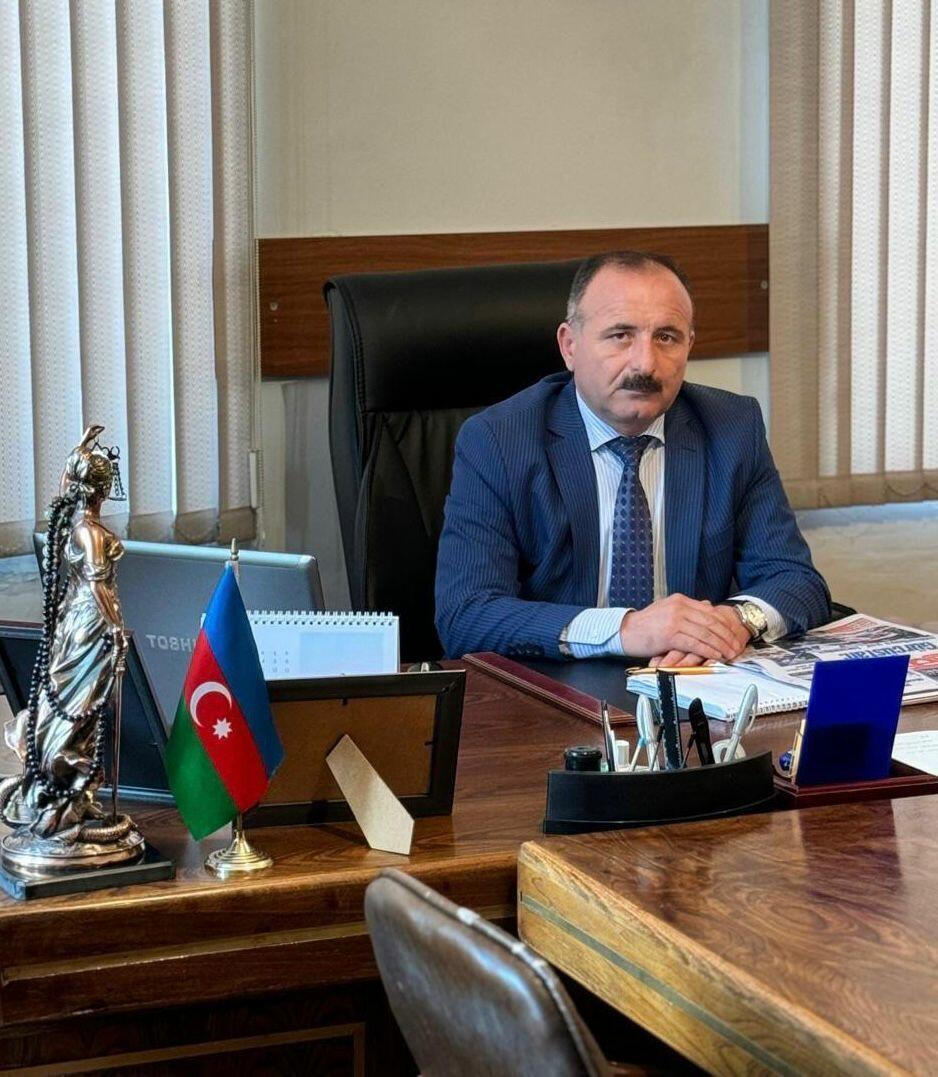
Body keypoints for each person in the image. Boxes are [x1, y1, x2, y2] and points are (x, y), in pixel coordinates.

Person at [434, 250, 830, 664]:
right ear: (569, 346)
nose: (646, 363)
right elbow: (466, 615)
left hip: (689, 683)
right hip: (558, 685)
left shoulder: (732, 428)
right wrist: (625, 630)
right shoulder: (498, 441)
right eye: (621, 335)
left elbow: (796, 580)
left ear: (689, 345)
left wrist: (736, 620)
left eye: (666, 337)